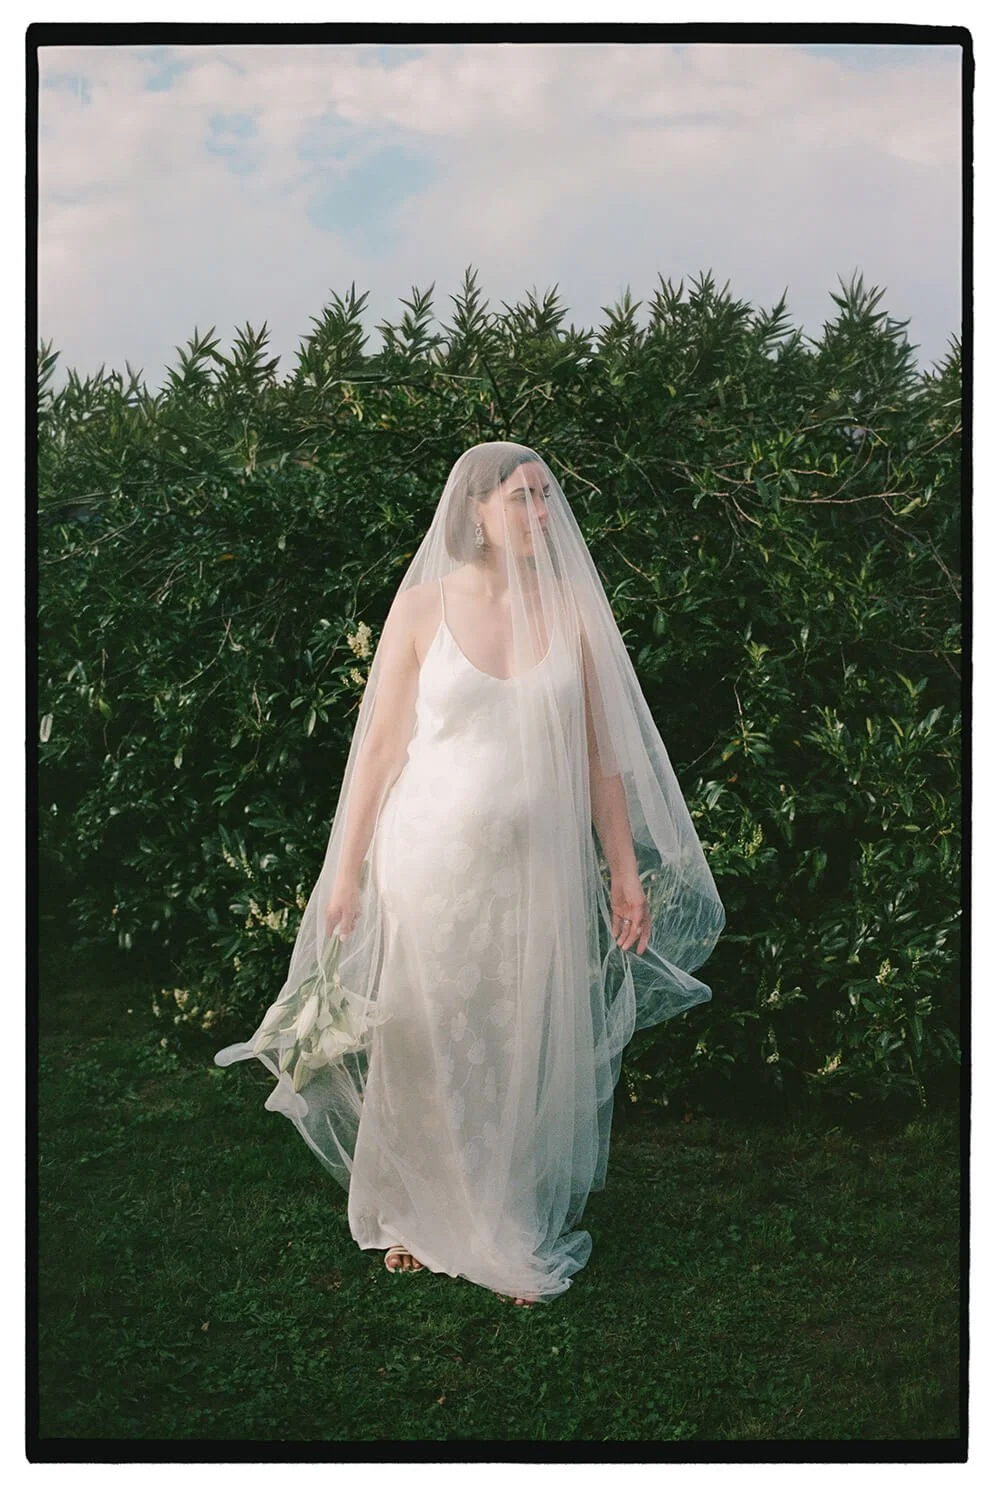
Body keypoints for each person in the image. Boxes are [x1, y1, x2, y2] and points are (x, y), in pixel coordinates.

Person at [215, 441, 724, 1306]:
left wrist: (624, 872)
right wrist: (344, 876)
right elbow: (378, 750)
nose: (541, 513)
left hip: (534, 875)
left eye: (547, 497)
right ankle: (415, 1214)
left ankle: (502, 1220)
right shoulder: (420, 608)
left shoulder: (569, 610)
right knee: (424, 1035)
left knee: (514, 1037)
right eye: (523, 498)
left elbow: (604, 759)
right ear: (477, 513)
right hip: (429, 860)